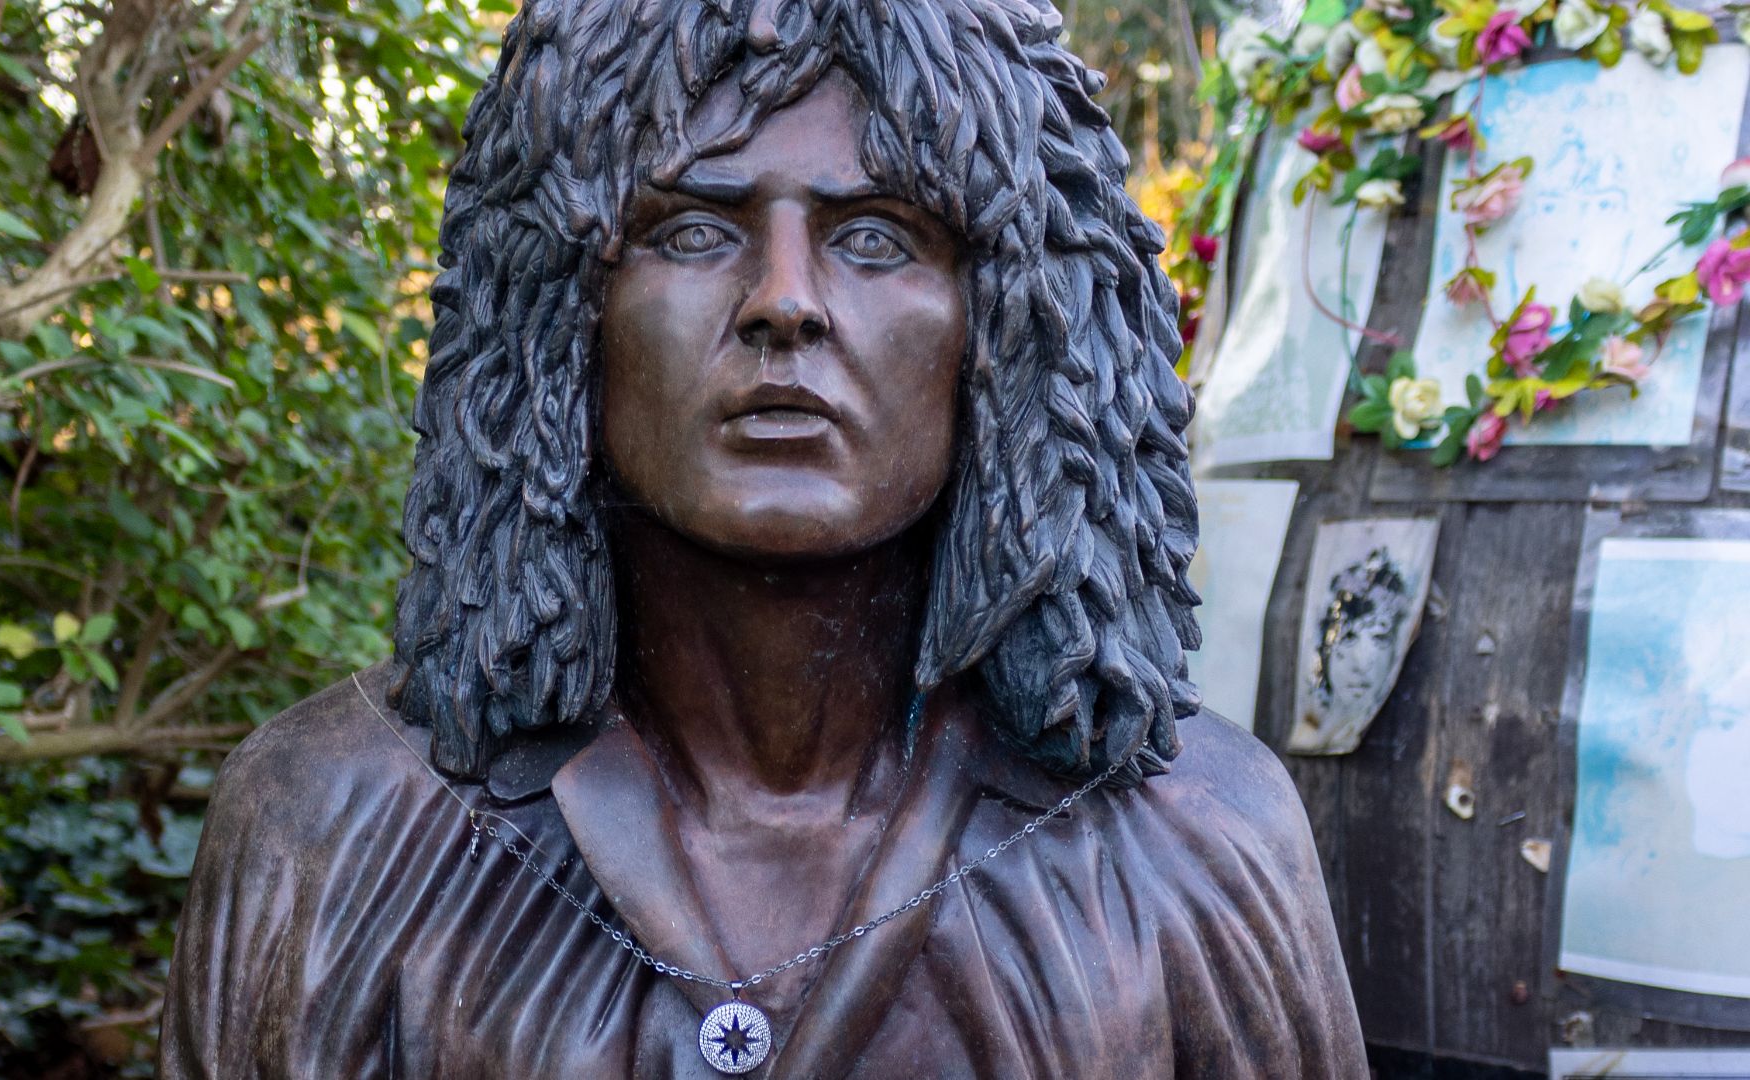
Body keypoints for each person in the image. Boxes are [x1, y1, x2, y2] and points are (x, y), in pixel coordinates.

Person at [159, 1, 1366, 1076]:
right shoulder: (331, 818)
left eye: (877, 235)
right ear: (560, 313)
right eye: (692, 230)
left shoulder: (1197, 840)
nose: (785, 300)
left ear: (1006, 326)